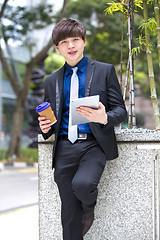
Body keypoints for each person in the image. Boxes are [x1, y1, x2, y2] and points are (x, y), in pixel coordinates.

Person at [38, 18, 127, 240]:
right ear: (57, 48)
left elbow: (121, 111)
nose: (71, 46)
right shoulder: (52, 80)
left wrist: (103, 116)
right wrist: (44, 126)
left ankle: (88, 208)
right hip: (64, 148)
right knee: (68, 215)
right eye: (64, 42)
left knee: (83, 184)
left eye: (75, 39)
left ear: (84, 42)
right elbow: (49, 120)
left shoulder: (104, 71)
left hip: (93, 144)